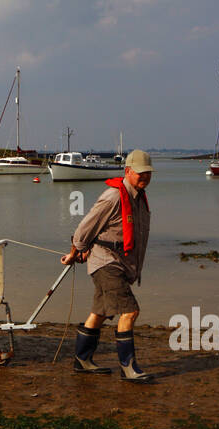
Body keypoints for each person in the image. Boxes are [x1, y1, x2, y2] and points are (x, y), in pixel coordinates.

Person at [59, 149, 153, 381]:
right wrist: (77, 252)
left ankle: (82, 360)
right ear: (127, 171)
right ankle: (128, 368)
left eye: (148, 173)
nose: (145, 177)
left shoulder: (138, 196)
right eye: (140, 173)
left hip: (121, 263)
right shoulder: (112, 197)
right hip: (106, 262)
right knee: (130, 311)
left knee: (100, 312)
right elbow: (83, 230)